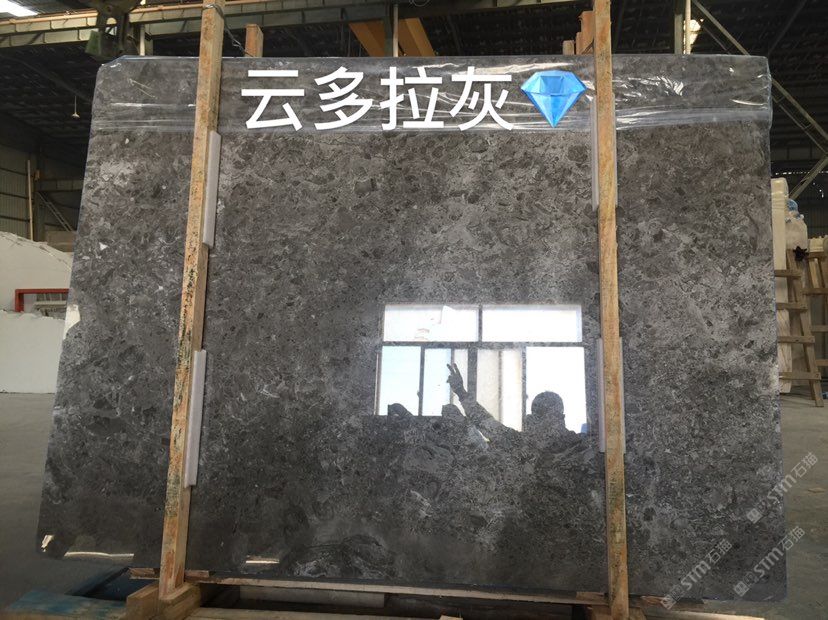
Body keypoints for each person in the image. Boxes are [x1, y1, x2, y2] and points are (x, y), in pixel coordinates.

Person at [446, 363, 574, 446]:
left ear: (559, 417)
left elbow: (487, 425)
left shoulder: (579, 449)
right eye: (534, 414)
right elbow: (487, 424)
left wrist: (461, 392)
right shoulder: (522, 444)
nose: (530, 419)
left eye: (540, 414)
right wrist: (461, 392)